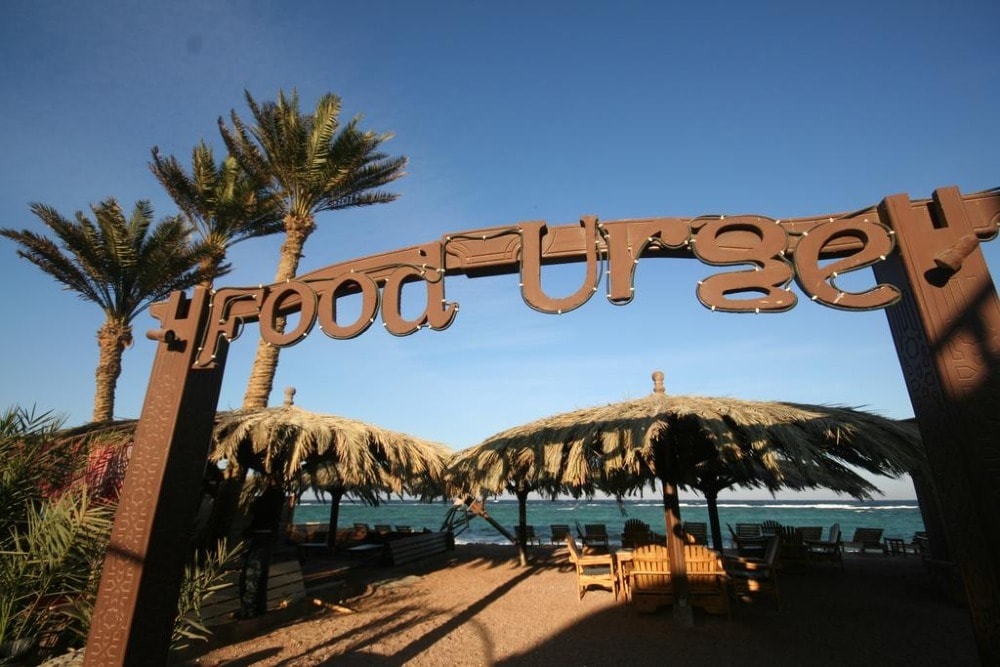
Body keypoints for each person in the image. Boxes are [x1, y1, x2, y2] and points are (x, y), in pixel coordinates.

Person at [237, 480, 285, 618]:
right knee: (259, 575)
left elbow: (255, 509)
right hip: (266, 539)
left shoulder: (269, 498)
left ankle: (249, 610)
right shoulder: (277, 498)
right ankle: (258, 608)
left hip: (260, 540)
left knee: (252, 576)